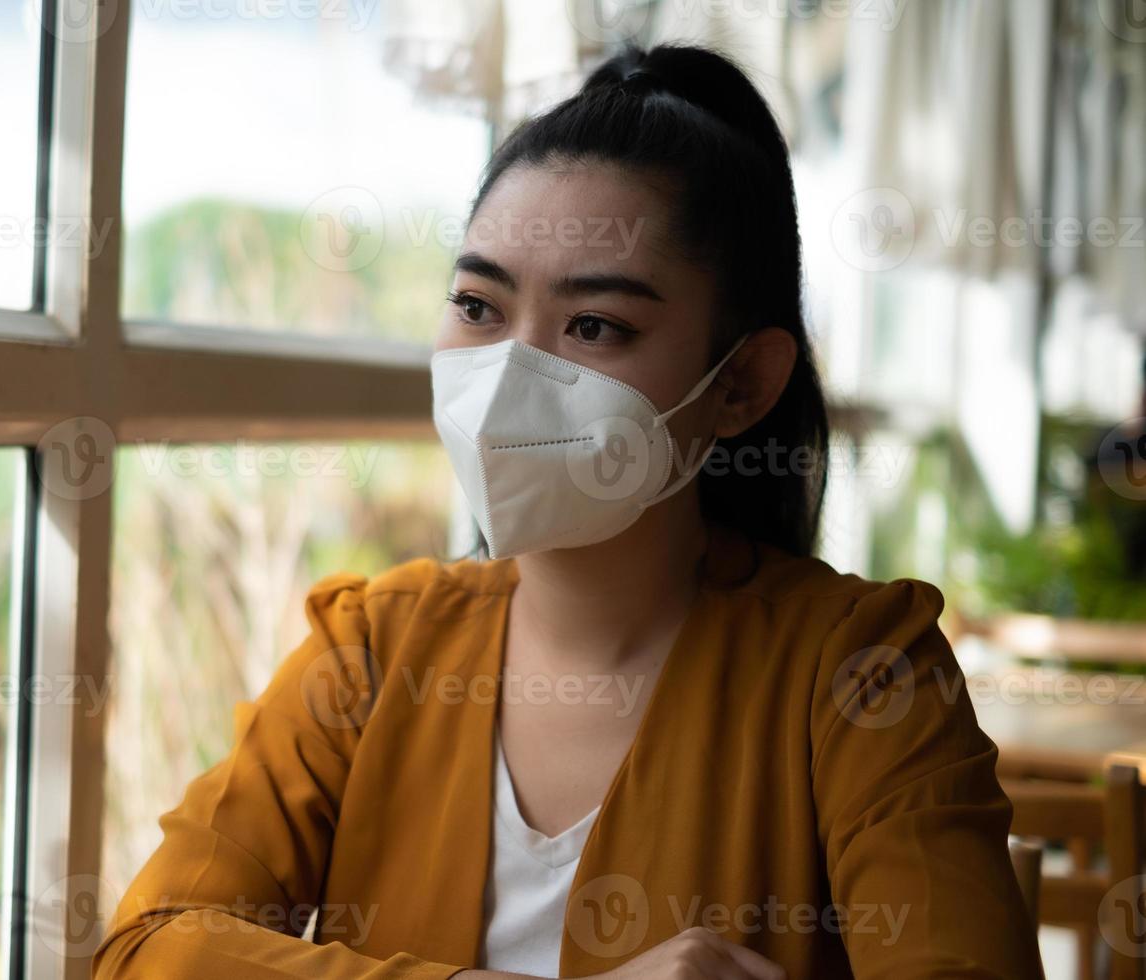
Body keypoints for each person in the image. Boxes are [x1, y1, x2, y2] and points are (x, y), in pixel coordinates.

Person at [93, 42, 1042, 980]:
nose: (510, 372)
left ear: (742, 384)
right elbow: (151, 948)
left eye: (595, 326)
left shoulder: (863, 674)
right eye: (477, 305)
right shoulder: (372, 652)